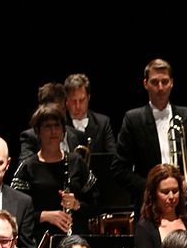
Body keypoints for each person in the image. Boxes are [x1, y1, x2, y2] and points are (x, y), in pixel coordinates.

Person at [111, 58, 187, 210]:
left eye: (165, 82)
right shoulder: (133, 119)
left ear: (172, 83)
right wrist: (152, 188)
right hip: (149, 206)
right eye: (154, 82)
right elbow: (119, 169)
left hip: (186, 203)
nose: (160, 87)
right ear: (145, 84)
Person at [11, 104, 97, 236]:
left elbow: (96, 205)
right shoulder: (28, 168)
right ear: (38, 131)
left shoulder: (76, 161)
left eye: (57, 125)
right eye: (47, 126)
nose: (53, 131)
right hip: (42, 239)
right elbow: (16, 213)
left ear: (63, 130)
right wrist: (45, 216)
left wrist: (76, 204)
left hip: (77, 239)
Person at [18, 82, 85, 163]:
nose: (59, 117)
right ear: (42, 110)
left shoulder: (79, 136)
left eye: (62, 110)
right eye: (54, 113)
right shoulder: (30, 137)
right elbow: (25, 166)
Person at [64, 73, 116, 155]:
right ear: (66, 101)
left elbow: (112, 156)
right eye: (73, 101)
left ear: (88, 97)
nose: (78, 106)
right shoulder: (60, 125)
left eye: (81, 100)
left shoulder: (103, 123)